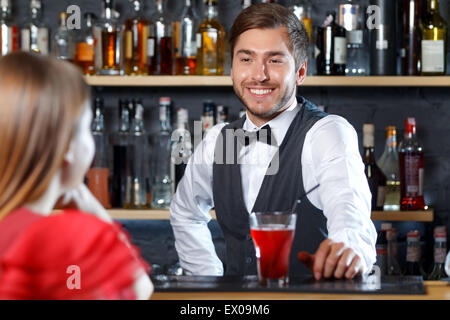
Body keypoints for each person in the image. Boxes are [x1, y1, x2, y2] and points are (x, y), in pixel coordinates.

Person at [170, 3, 377, 280]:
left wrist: (349, 251)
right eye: (246, 59)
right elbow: (185, 212)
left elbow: (349, 210)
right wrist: (208, 281)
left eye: (275, 60)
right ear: (232, 68)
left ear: (300, 72)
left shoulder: (326, 133)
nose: (259, 74)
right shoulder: (221, 140)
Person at [0, 52, 153, 299]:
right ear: (67, 146)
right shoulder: (66, 238)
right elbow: (140, 289)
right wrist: (91, 208)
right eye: (88, 128)